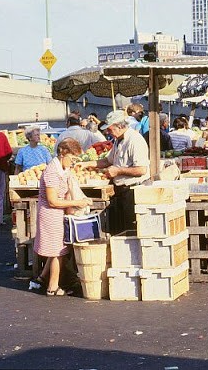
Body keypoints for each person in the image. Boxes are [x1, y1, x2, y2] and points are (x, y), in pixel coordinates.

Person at [33, 138, 92, 296]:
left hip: (58, 214)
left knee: (58, 250)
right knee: (58, 252)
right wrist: (77, 202)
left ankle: (43, 278)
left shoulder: (62, 170)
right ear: (62, 154)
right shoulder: (52, 172)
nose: (73, 163)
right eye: (72, 158)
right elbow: (52, 201)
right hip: (50, 215)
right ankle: (52, 287)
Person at [79, 110, 150, 234]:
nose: (108, 132)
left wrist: (118, 170)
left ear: (120, 126)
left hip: (133, 191)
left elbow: (141, 169)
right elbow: (108, 160)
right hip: (121, 191)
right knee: (121, 230)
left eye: (110, 129)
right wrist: (87, 164)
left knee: (131, 229)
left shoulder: (135, 140)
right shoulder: (118, 140)